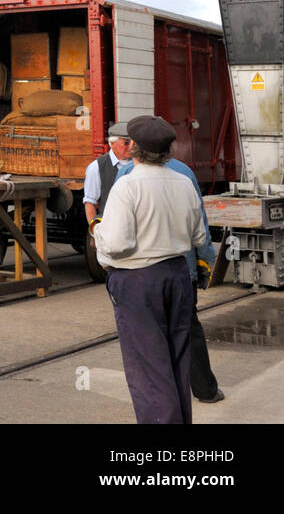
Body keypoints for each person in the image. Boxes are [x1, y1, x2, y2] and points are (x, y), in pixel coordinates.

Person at [93, 115, 207, 425]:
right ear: (169, 150)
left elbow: (117, 243)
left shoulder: (127, 186)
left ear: (132, 148)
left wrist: (97, 231)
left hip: (138, 281)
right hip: (177, 275)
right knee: (176, 360)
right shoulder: (184, 183)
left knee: (148, 367)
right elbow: (199, 237)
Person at [115, 143, 224, 405]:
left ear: (136, 147)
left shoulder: (127, 175)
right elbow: (200, 224)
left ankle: (164, 400)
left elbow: (118, 230)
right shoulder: (184, 173)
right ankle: (205, 390)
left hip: (139, 274)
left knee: (149, 340)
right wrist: (205, 261)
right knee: (187, 330)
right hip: (181, 269)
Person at [84, 123, 132, 228]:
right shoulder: (96, 167)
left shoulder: (138, 164)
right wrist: (95, 231)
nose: (131, 147)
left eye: (133, 143)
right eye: (126, 143)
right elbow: (90, 203)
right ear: (112, 143)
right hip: (109, 228)